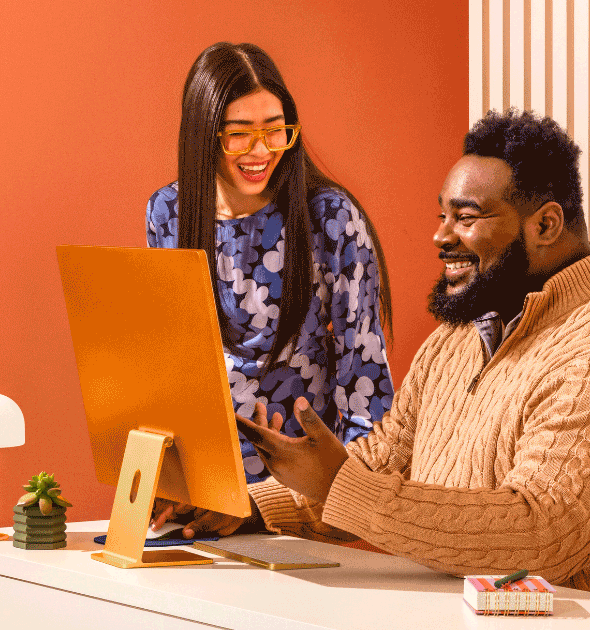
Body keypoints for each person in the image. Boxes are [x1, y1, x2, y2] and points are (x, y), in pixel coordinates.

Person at [236, 109, 590, 621]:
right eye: (441, 215)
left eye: (465, 218)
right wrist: (248, 508)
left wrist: (340, 487)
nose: (441, 237)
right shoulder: (460, 337)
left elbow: (538, 536)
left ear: (546, 224)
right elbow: (382, 459)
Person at [146, 42, 394, 537]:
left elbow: (365, 382)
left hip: (301, 502)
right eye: (240, 135)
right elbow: (175, 361)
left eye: (275, 130)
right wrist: (169, 477)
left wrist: (358, 507)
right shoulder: (166, 212)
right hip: (204, 492)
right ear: (203, 138)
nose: (262, 152)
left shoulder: (332, 219)